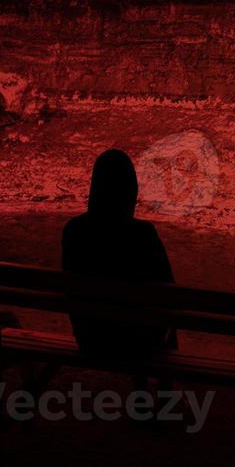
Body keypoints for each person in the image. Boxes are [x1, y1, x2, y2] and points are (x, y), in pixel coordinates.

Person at [61, 149, 175, 358]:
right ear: (130, 190)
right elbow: (169, 291)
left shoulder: (74, 231)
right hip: (138, 341)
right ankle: (164, 386)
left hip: (91, 338)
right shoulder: (143, 234)